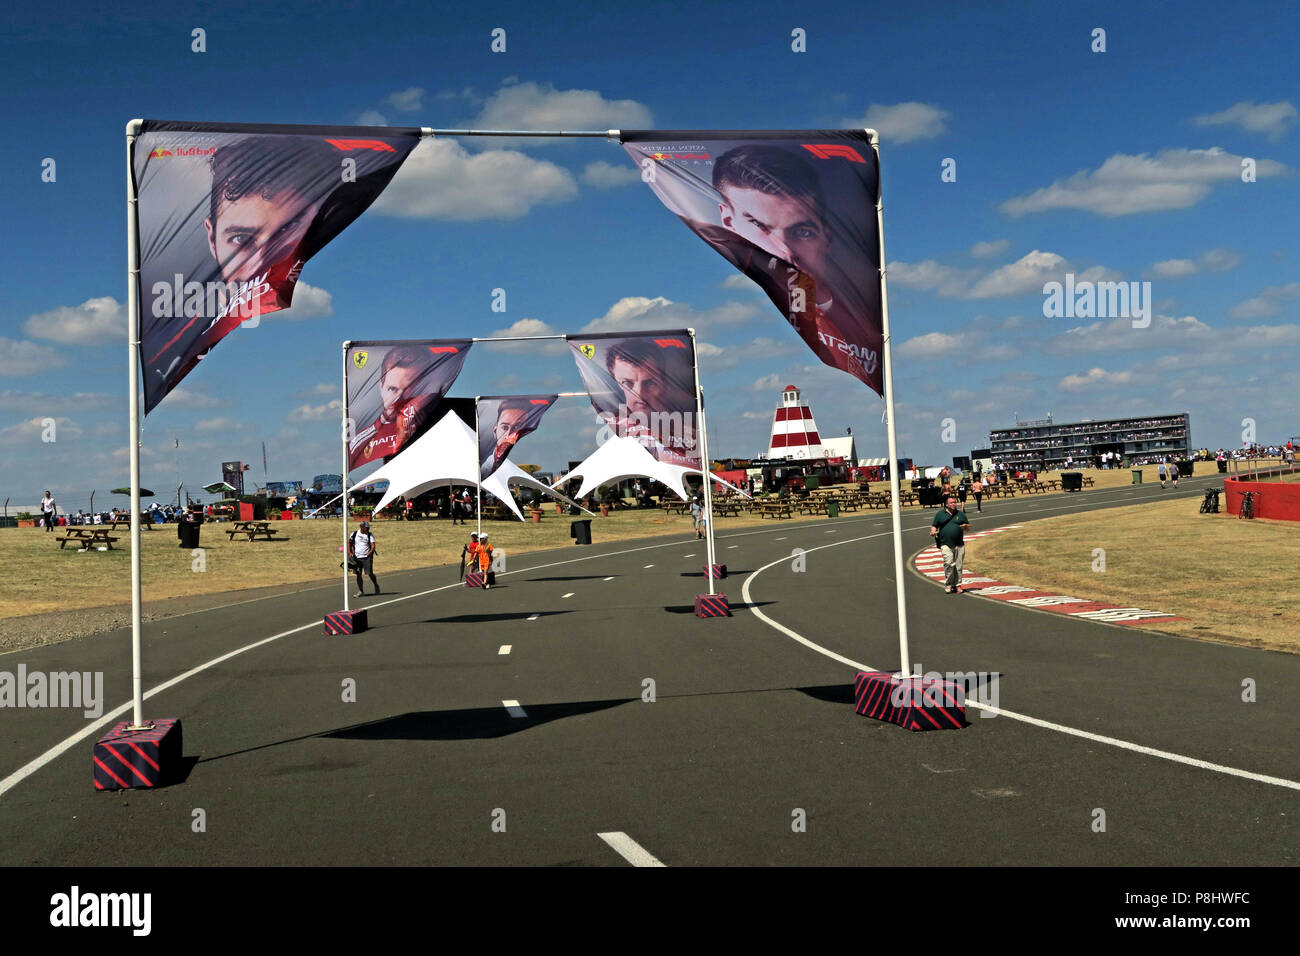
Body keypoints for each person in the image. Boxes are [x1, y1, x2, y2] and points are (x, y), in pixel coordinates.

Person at [350, 346, 440, 467]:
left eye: (410, 390)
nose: (399, 399)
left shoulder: (441, 426)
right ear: (381, 386)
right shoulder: (362, 442)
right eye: (392, 389)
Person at [930, 494, 971, 594]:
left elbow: (967, 527)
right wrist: (932, 531)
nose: (953, 504)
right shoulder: (940, 514)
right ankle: (949, 584)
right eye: (951, 503)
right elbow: (934, 525)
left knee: (958, 566)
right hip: (945, 544)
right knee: (948, 563)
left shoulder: (960, 514)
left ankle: (958, 585)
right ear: (946, 504)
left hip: (959, 544)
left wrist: (965, 527)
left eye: (954, 502)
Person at [348, 520, 379, 597]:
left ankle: (375, 584)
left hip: (366, 557)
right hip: (356, 558)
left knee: (369, 573)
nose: (368, 529)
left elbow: (373, 545)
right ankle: (361, 591)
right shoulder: (354, 534)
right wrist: (349, 552)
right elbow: (349, 543)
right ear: (361, 527)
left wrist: (370, 552)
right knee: (358, 575)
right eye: (366, 527)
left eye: (368, 527)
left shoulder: (369, 535)